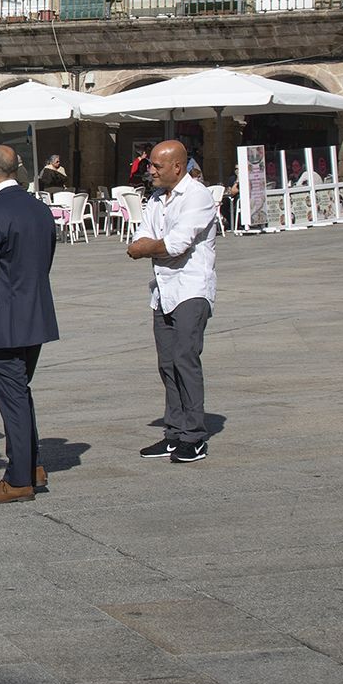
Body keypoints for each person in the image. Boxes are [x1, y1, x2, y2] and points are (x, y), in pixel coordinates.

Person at [0, 145, 59, 503]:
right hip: (34, 312)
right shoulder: (39, 208)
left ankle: (20, 479)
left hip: (3, 318)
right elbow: (45, 259)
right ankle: (31, 463)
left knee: (13, 396)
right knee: (20, 390)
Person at [126, 140, 219, 465]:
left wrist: (145, 248)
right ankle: (175, 431)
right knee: (167, 364)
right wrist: (148, 244)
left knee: (185, 359)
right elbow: (140, 235)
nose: (149, 170)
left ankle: (194, 436)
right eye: (150, 164)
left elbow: (177, 244)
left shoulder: (197, 196)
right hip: (163, 291)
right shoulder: (155, 199)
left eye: (156, 165)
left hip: (191, 288)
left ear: (177, 167)